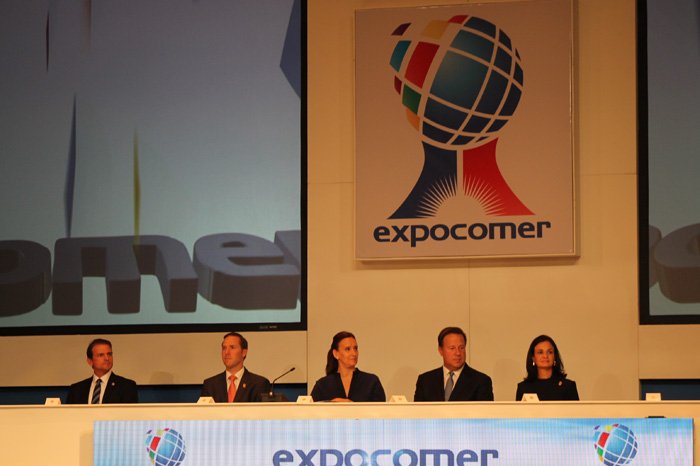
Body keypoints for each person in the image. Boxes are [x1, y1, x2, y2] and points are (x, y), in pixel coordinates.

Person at [414, 326, 493, 402]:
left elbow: (484, 411)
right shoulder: (425, 381)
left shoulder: (481, 381)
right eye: (452, 348)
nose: (458, 353)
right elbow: (417, 411)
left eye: (461, 348)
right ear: (440, 350)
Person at [310, 331, 386, 402]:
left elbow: (381, 410)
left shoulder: (371, 382)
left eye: (355, 348)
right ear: (336, 354)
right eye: (347, 349)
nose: (354, 353)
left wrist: (352, 406)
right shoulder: (322, 385)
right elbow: (310, 410)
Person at [201, 332, 271, 402]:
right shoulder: (210, 385)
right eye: (224, 348)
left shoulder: (259, 384)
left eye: (232, 347)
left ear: (244, 352)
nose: (226, 352)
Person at [66, 338, 138, 404]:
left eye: (109, 354)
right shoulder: (76, 390)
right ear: (90, 361)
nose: (107, 358)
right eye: (101, 355)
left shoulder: (127, 387)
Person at [515, 334, 579, 401]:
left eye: (550, 352)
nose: (545, 356)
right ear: (533, 358)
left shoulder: (568, 386)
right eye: (540, 352)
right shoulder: (523, 388)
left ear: (554, 357)